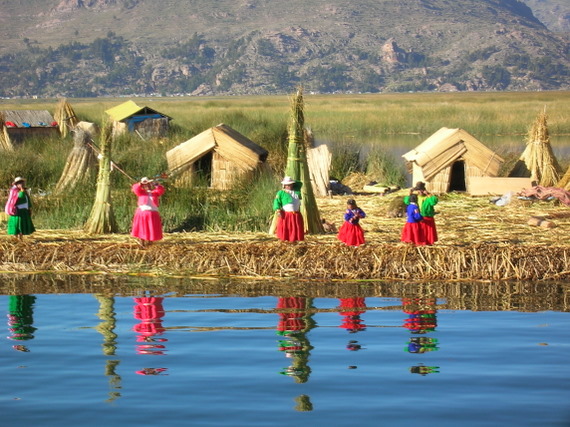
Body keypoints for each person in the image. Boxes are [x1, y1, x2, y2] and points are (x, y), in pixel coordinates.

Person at [131, 177, 165, 247]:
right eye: (146, 185)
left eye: (149, 185)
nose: (148, 186)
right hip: (142, 213)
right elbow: (135, 188)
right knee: (142, 228)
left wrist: (156, 184)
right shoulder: (141, 193)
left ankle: (150, 242)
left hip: (152, 214)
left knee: (151, 228)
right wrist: (141, 183)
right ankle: (142, 242)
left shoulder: (155, 193)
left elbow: (161, 190)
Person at [273, 176, 304, 242]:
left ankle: (295, 240)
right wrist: (278, 210)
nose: (288, 186)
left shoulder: (296, 192)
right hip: (286, 215)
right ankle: (286, 240)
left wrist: (294, 182)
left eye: (290, 184)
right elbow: (276, 202)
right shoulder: (281, 193)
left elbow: (300, 184)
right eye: (287, 185)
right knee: (287, 227)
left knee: (296, 227)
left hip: (296, 214)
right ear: (284, 185)